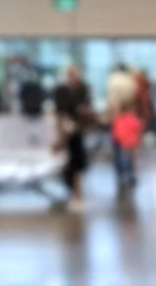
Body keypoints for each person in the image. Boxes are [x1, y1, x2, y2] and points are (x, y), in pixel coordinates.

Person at [52, 64, 95, 212]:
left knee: (77, 162)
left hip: (78, 131)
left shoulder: (83, 89)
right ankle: (71, 193)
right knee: (68, 163)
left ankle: (76, 195)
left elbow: (87, 107)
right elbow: (60, 112)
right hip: (66, 130)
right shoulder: (62, 91)